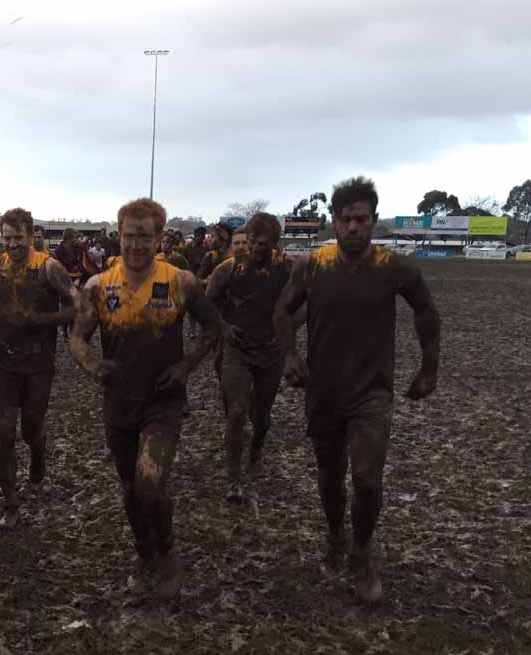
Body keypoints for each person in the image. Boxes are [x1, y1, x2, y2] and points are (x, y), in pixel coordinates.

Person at [274, 176, 440, 604]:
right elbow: (282, 310)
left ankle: (363, 554)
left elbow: (426, 312)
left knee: (367, 478)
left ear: (374, 221)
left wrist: (429, 368)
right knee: (330, 479)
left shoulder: (394, 267)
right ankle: (335, 536)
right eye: (345, 219)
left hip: (372, 392)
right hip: (324, 390)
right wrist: (290, 356)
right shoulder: (312, 265)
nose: (353, 227)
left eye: (361, 219)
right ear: (333, 221)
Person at [70, 198, 229, 602]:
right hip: (119, 403)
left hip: (163, 400)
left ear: (159, 238)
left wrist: (186, 366)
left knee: (151, 480)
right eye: (129, 236)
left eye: (145, 236)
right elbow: (76, 338)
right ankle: (144, 555)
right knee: (129, 488)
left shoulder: (180, 281)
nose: (136, 245)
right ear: (118, 236)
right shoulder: (98, 286)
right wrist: (93, 366)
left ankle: (168, 552)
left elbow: (212, 327)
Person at [0, 208, 78, 528]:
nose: (12, 244)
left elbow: (77, 307)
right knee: (4, 432)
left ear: (30, 235)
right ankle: (10, 503)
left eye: (18, 238)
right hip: (3, 361)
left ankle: (39, 452)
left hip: (39, 361)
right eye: (6, 238)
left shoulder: (49, 267)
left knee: (31, 429)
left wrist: (41, 320)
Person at [206, 212, 293, 501]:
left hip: (271, 353)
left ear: (275, 245)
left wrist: (286, 329)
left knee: (262, 417)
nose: (256, 247)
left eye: (264, 244)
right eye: (252, 241)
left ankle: (256, 447)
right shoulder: (228, 270)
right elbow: (207, 306)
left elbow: (305, 303)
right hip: (238, 350)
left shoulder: (287, 269)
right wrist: (223, 327)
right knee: (236, 413)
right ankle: (233, 478)